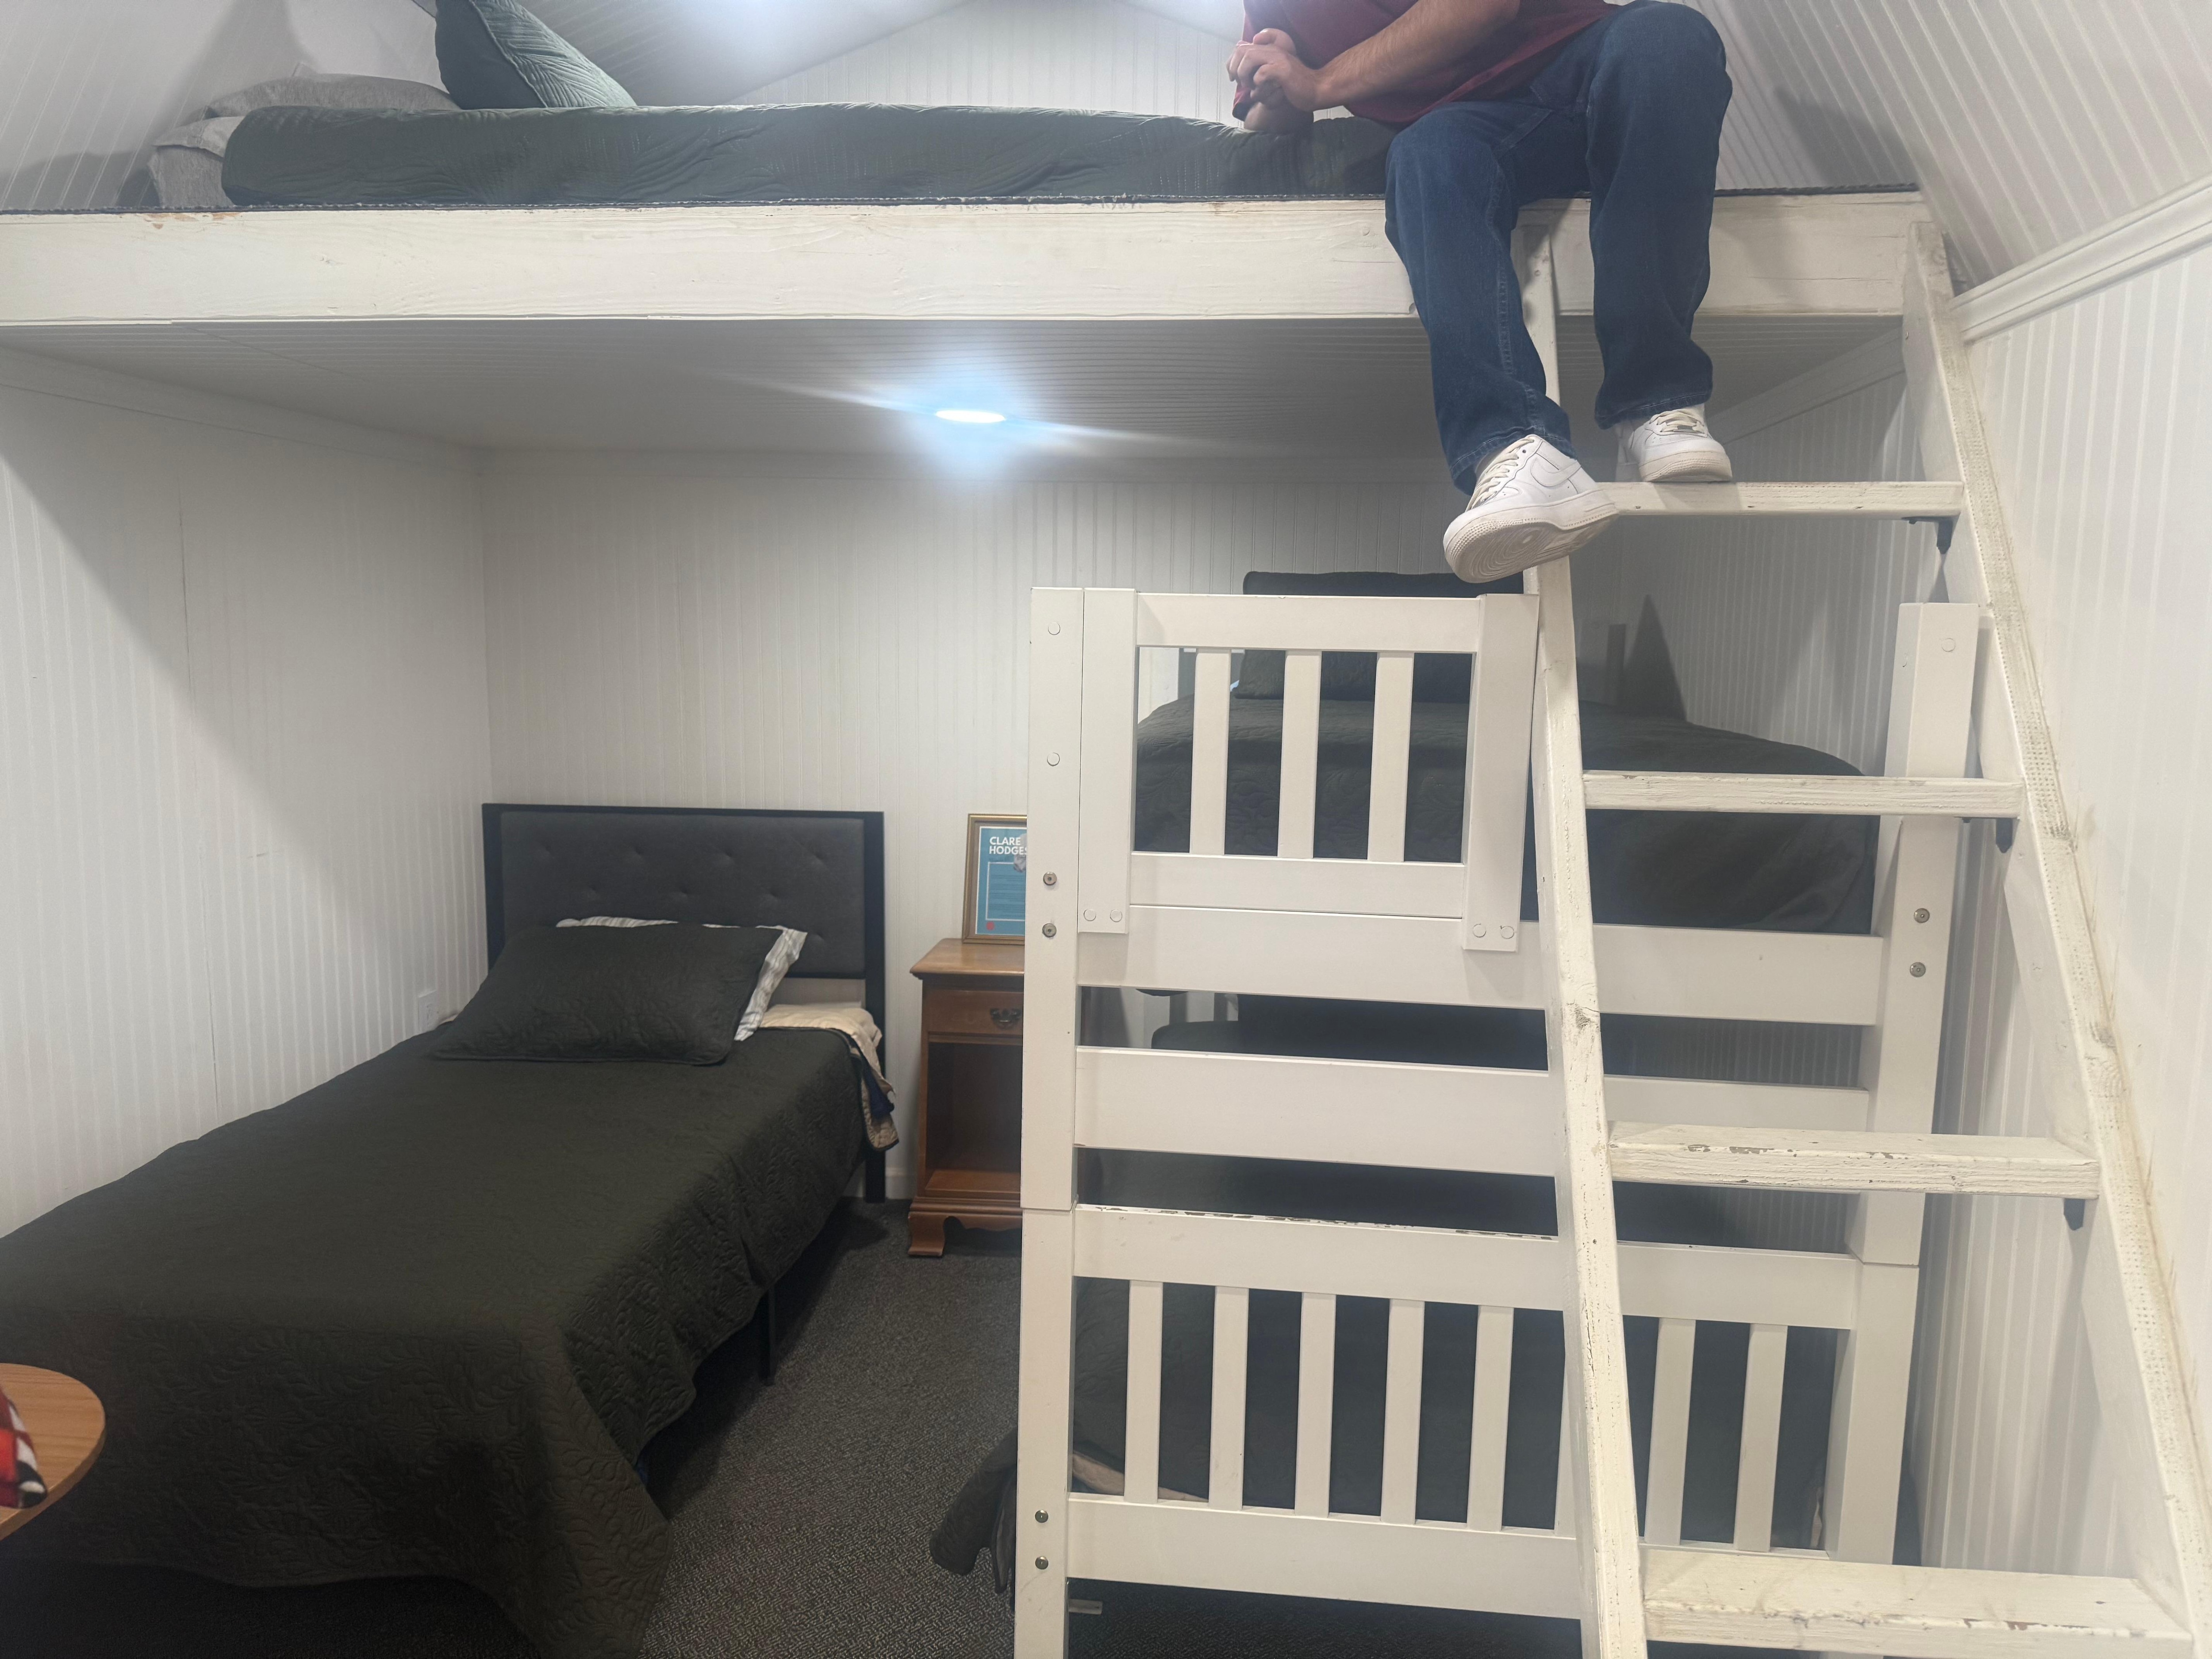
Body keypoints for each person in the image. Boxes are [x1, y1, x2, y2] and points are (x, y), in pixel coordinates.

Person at [1230, 0, 1735, 582]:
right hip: (1468, 127)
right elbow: (1264, 122)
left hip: (1587, 66)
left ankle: (1657, 402)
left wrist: (1319, 82)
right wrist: (1276, 85)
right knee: (1424, 154)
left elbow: (1481, 7)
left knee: (1668, 36)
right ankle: (1512, 446)